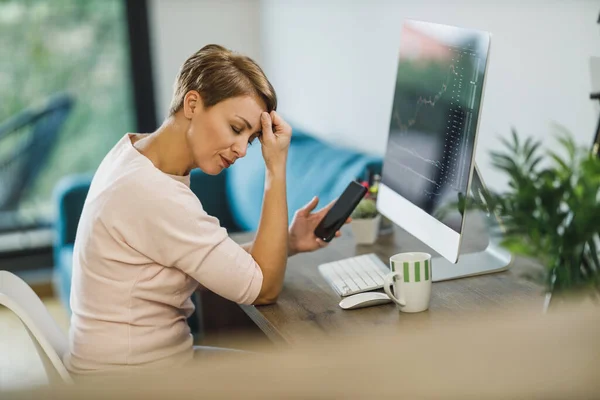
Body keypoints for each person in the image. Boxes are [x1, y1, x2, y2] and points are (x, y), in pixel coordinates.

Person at [63, 44, 348, 375]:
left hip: (119, 368)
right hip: (132, 382)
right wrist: (275, 167)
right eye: (236, 128)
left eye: (252, 139)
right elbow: (264, 288)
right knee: (303, 377)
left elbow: (202, 258)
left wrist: (290, 242)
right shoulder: (156, 194)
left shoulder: (132, 153)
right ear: (193, 104)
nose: (242, 150)